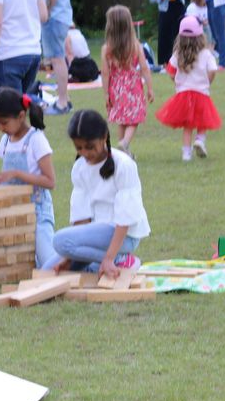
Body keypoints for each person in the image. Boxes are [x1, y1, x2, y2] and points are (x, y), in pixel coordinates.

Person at [41, 109, 149, 279]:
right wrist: (69, 257)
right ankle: (99, 264)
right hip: (95, 238)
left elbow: (126, 217)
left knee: (59, 240)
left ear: (104, 137)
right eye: (79, 148)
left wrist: (110, 257)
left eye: (90, 147)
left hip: (124, 237)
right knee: (47, 271)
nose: (85, 153)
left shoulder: (124, 165)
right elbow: (81, 217)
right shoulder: (79, 168)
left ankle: (122, 259)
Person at [0, 88, 56, 268]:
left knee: (49, 264)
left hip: (37, 212)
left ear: (20, 116)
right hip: (13, 212)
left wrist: (17, 174)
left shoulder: (36, 139)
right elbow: (7, 180)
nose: (0, 128)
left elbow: (50, 181)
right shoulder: (6, 141)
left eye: (3, 122)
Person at [156, 15, 222, 161]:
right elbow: (212, 70)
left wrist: (177, 81)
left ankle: (186, 154)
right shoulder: (206, 54)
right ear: (200, 36)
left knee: (187, 125)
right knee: (202, 120)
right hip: (201, 92)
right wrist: (207, 82)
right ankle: (200, 140)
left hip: (183, 94)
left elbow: (170, 70)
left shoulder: (178, 53)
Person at [101, 4, 155, 156]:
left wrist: (106, 94)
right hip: (133, 87)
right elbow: (145, 68)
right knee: (134, 118)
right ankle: (124, 143)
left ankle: (124, 152)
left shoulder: (106, 49)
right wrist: (150, 88)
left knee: (122, 119)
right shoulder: (135, 45)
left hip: (116, 88)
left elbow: (105, 73)